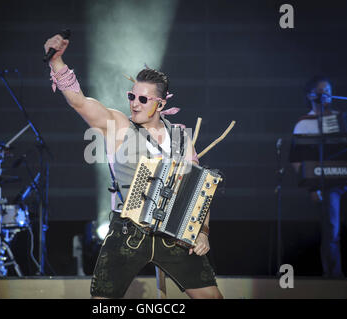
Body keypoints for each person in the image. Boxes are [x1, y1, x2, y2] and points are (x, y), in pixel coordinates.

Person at [44, 34, 223, 299]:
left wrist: (204, 233)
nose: (134, 103)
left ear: (161, 104)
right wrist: (57, 62)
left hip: (172, 235)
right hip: (128, 231)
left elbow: (201, 192)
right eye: (132, 96)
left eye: (143, 99)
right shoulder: (118, 125)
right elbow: (79, 102)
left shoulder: (179, 138)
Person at [290, 76, 347, 279]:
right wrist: (312, 187)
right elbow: (296, 160)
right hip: (326, 184)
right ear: (311, 95)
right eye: (322, 91)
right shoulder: (304, 124)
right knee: (332, 230)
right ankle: (333, 277)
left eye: (329, 90)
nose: (326, 95)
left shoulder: (343, 119)